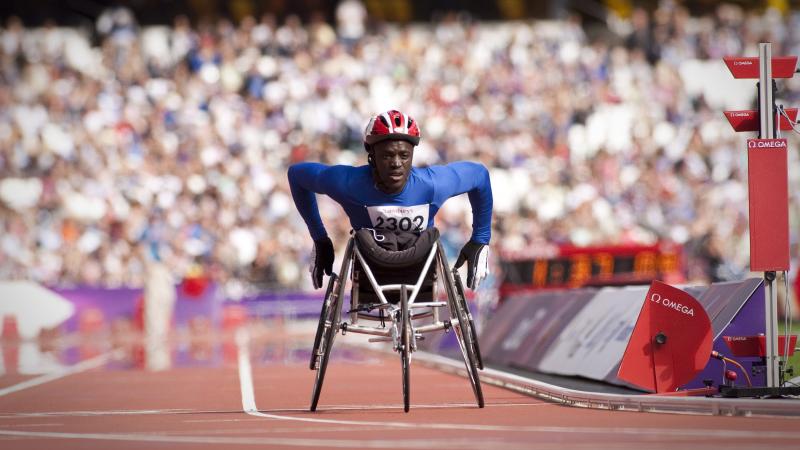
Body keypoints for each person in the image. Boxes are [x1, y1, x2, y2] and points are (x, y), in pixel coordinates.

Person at [288, 109, 493, 290]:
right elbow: (296, 174)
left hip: (421, 268)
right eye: (387, 155)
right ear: (371, 154)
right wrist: (320, 238)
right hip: (369, 269)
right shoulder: (348, 183)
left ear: (413, 154)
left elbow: (481, 175)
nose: (396, 163)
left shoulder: (433, 184)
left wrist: (480, 240)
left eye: (404, 155)